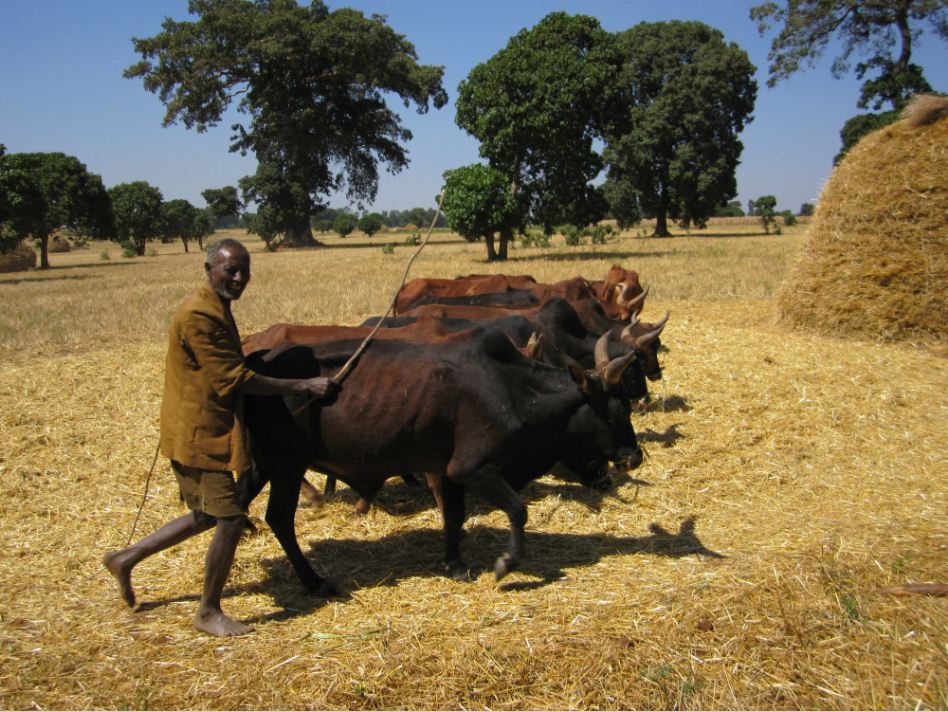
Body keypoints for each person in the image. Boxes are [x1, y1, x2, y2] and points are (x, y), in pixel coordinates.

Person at [103, 238, 337, 637]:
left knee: (206, 515)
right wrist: (304, 385)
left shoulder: (215, 307)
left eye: (245, 270)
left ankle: (126, 558)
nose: (240, 278)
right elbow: (235, 378)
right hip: (199, 433)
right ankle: (208, 611)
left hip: (200, 426)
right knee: (229, 519)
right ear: (208, 269)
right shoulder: (200, 314)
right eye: (231, 270)